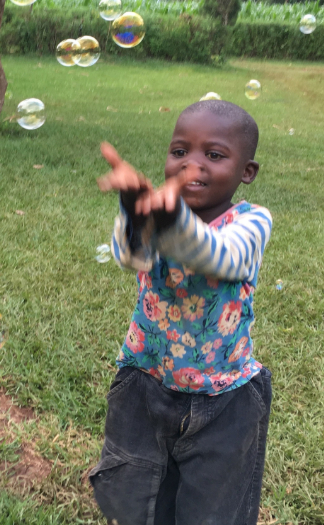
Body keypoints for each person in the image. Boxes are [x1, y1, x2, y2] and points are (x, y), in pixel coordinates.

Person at [90, 99, 273, 525]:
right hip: (144, 384)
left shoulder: (251, 223)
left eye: (213, 155)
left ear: (247, 172)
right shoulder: (158, 212)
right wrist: (135, 211)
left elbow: (216, 257)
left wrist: (170, 216)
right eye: (179, 152)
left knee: (211, 512)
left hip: (224, 402)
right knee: (131, 499)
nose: (192, 165)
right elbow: (130, 256)